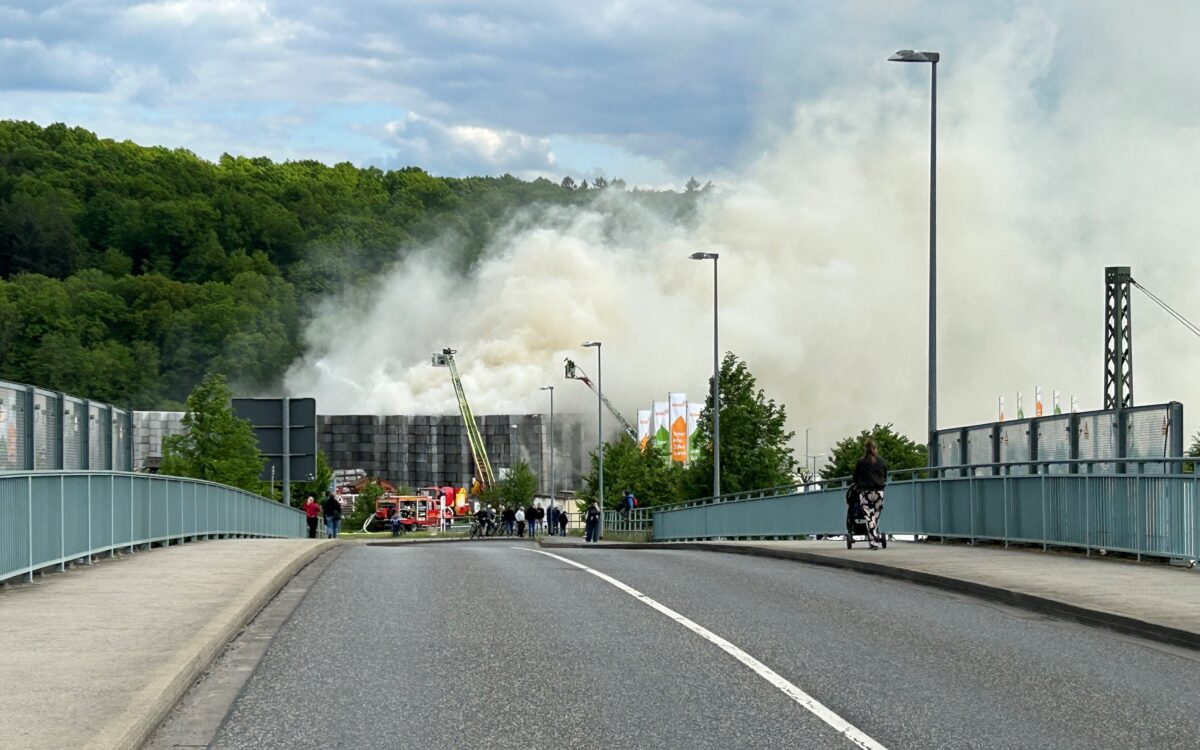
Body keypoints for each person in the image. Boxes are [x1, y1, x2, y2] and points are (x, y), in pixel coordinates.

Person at [852, 439, 888, 550]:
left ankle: (873, 541)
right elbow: (885, 476)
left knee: (868, 517)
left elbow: (855, 478)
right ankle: (874, 537)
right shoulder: (881, 461)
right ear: (875, 448)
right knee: (875, 516)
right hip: (879, 492)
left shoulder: (861, 463)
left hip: (865, 492)